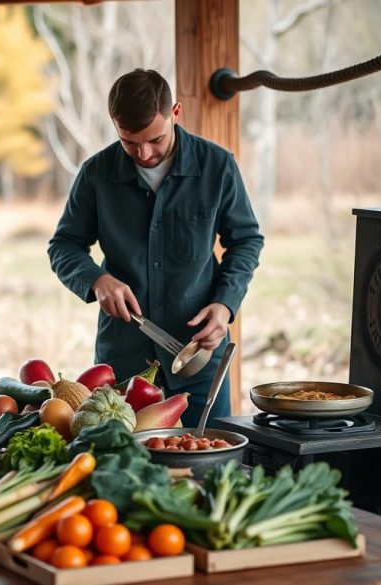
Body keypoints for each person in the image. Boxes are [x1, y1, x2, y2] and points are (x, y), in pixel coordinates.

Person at [48, 68, 264, 426]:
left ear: (175, 113)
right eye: (129, 142)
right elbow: (64, 246)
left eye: (156, 139)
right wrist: (97, 281)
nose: (144, 153)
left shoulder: (218, 166)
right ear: (115, 126)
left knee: (206, 462)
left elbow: (246, 241)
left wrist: (225, 305)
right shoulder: (96, 174)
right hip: (122, 364)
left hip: (199, 360)